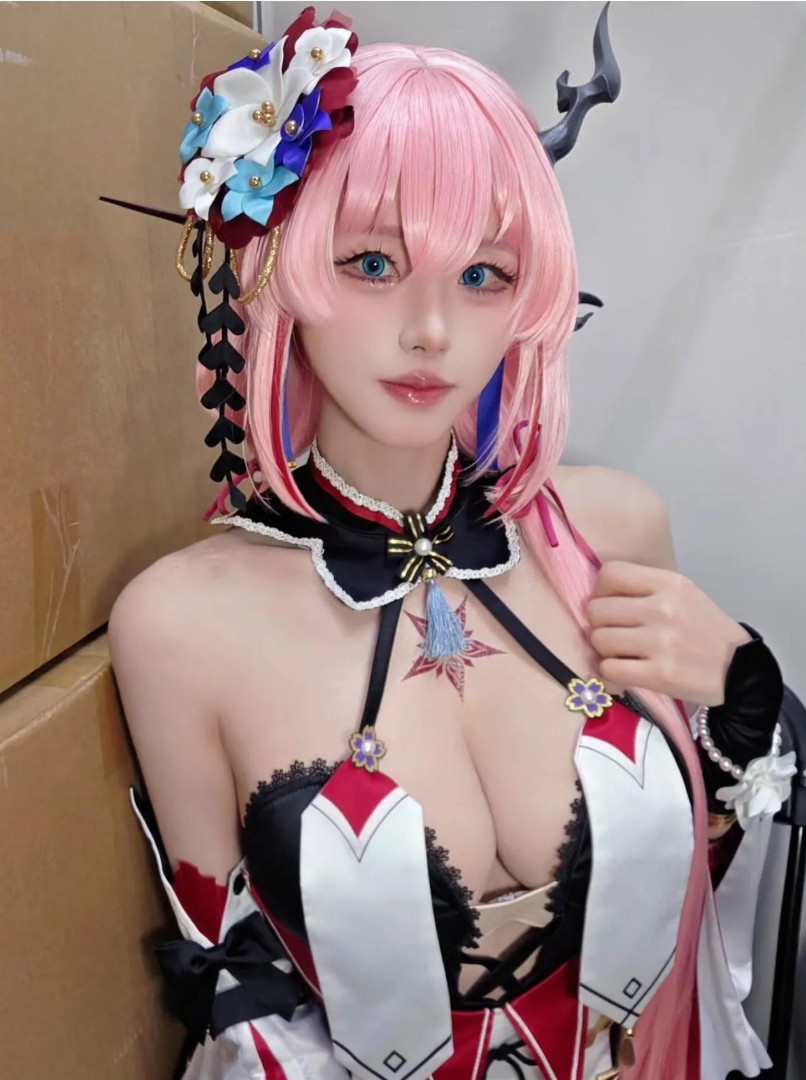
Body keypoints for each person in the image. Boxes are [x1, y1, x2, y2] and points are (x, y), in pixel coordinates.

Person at [107, 6, 796, 1079]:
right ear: (280, 265)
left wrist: (744, 705)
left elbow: (704, 865)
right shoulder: (179, 624)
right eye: (372, 263)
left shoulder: (612, 531)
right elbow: (230, 991)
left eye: (482, 275)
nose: (431, 330)